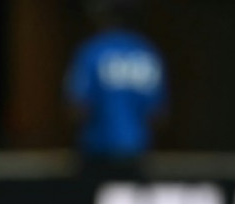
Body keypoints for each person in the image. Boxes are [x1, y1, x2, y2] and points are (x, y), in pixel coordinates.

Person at [63, 0, 168, 183]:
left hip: (97, 154)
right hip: (137, 153)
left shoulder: (93, 51)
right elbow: (158, 114)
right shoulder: (148, 53)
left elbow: (77, 107)